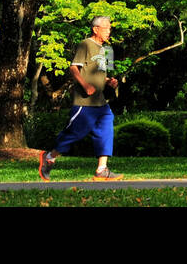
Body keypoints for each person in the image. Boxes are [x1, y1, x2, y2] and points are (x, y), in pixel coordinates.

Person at [38, 16, 123, 181]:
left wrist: (108, 81)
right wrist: (85, 86)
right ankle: (49, 157)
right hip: (85, 101)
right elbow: (74, 68)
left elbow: (98, 73)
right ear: (95, 29)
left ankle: (102, 169)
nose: (109, 31)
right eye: (106, 28)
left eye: (110, 28)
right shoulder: (86, 44)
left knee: (106, 128)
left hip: (100, 102)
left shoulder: (105, 49)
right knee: (76, 133)